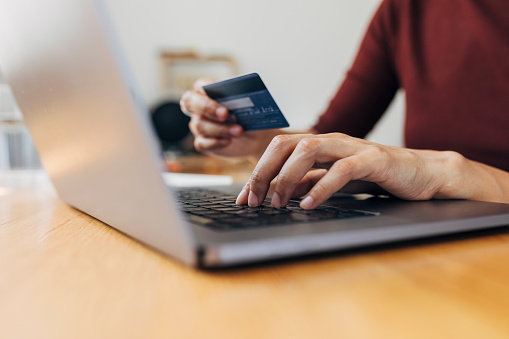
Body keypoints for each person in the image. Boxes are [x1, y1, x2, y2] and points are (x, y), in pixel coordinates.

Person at [180, 0, 509, 210]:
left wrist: (449, 174)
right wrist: (259, 140)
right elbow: (328, 139)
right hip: (436, 249)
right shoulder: (405, 9)